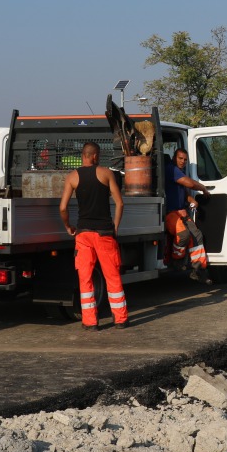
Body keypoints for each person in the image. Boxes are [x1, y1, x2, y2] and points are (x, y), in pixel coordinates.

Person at [59, 142, 128, 331]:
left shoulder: (72, 177)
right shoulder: (107, 174)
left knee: (85, 277)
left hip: (83, 234)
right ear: (95, 156)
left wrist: (68, 226)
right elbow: (120, 203)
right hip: (104, 233)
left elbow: (63, 207)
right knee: (112, 275)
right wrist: (115, 227)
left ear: (83, 156)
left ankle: (90, 322)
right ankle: (120, 320)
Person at [164, 148, 211, 284]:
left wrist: (192, 200)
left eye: (185, 159)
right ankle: (176, 260)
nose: (183, 161)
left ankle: (198, 269)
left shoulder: (180, 172)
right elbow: (189, 183)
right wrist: (202, 188)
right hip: (170, 213)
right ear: (174, 158)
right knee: (184, 235)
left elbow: (184, 192)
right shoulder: (171, 169)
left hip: (181, 212)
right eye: (180, 158)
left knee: (197, 236)